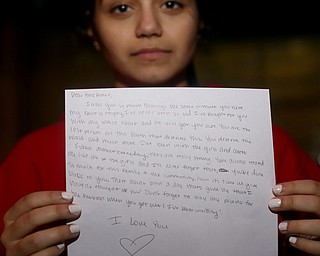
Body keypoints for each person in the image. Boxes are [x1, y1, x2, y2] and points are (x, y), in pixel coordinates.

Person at [1, 0, 320, 255]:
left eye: (171, 4)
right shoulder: (33, 158)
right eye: (121, 8)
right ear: (92, 30)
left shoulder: (270, 146)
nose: (149, 27)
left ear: (200, 20)